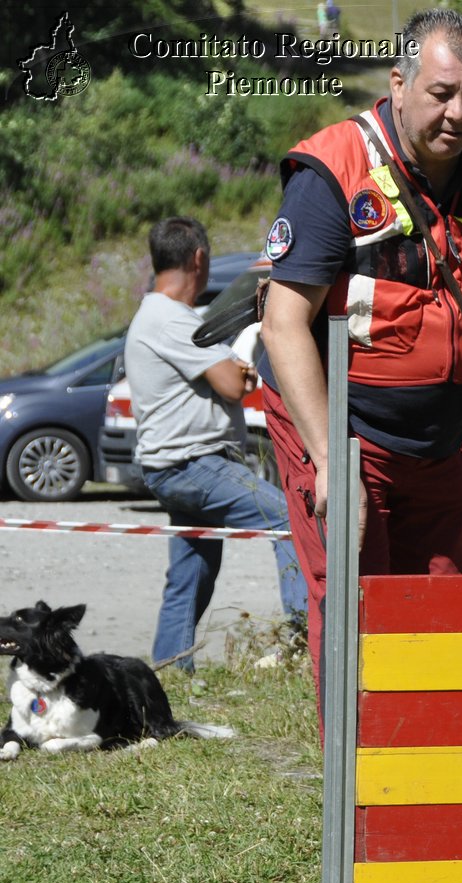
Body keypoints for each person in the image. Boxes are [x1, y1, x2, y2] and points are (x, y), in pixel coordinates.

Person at [258, 9, 462, 693]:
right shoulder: (333, 170)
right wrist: (331, 464)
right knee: (357, 600)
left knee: (438, 607)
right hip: (343, 433)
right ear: (399, 83)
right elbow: (283, 325)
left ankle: (424, 784)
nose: (459, 113)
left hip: (440, 442)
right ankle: (358, 795)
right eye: (442, 93)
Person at [124, 217, 307, 672]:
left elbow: (231, 374)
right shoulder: (172, 319)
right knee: (288, 519)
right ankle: (305, 640)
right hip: (194, 463)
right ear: (199, 259)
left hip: (174, 465)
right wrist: (237, 370)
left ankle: (170, 667)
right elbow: (233, 383)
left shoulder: (162, 316)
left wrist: (234, 370)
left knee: (190, 573)